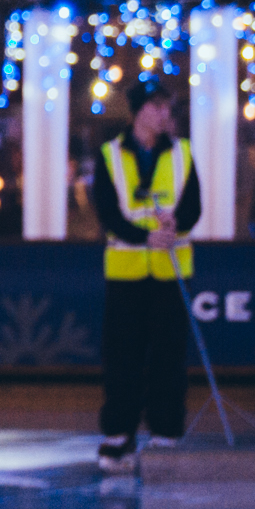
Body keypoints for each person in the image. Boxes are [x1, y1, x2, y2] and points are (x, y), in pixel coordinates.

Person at [92, 79, 200, 470]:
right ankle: (118, 435)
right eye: (157, 107)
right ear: (138, 112)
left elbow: (193, 206)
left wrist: (176, 225)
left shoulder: (183, 154)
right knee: (123, 354)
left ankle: (165, 434)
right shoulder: (110, 155)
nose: (165, 115)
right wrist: (144, 236)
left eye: (167, 108)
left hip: (170, 272)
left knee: (169, 356)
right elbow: (107, 211)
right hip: (127, 272)